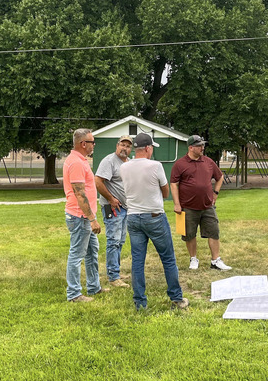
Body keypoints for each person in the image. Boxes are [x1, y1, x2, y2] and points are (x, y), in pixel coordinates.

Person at [120, 133, 188, 310]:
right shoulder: (156, 166)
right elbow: (165, 193)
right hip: (154, 216)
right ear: (148, 148)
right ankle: (176, 298)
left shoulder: (124, 167)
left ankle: (140, 303)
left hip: (133, 217)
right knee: (168, 259)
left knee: (137, 261)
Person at [170, 135, 231, 271]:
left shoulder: (208, 162)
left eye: (203, 145)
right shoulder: (180, 164)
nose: (202, 148)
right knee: (189, 234)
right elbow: (174, 184)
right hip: (188, 206)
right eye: (199, 146)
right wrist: (177, 203)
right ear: (191, 148)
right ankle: (193, 259)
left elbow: (219, 177)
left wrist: (215, 193)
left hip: (208, 206)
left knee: (214, 232)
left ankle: (215, 260)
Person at [63, 128, 109, 303]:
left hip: (83, 217)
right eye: (92, 142)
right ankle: (74, 293)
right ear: (83, 144)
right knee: (77, 254)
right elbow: (79, 194)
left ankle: (94, 287)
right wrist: (92, 219)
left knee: (91, 252)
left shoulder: (79, 160)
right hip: (80, 217)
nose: (94, 145)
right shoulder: (75, 163)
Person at [95, 135, 133, 288]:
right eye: (122, 145)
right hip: (113, 208)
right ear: (117, 146)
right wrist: (111, 199)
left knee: (121, 240)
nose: (125, 148)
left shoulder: (128, 163)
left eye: (128, 146)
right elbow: (98, 181)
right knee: (113, 241)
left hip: (125, 208)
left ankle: (115, 271)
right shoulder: (109, 161)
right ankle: (113, 277)